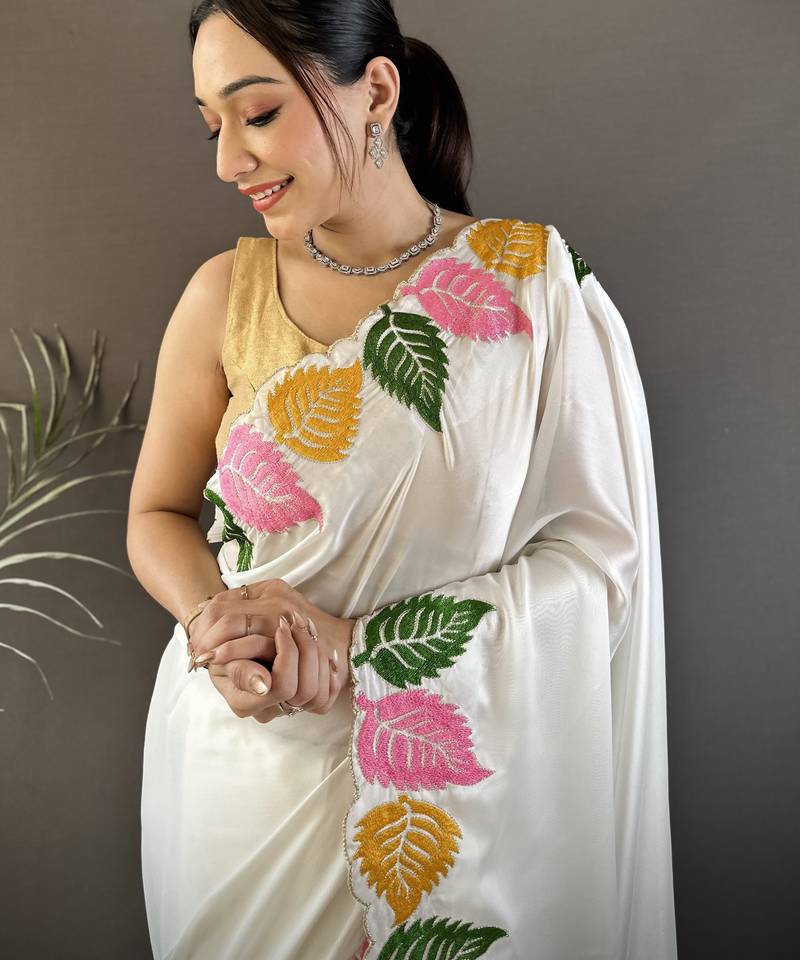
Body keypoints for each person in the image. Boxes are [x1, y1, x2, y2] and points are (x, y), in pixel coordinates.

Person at [127, 2, 678, 958]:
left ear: (375, 91)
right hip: (243, 773)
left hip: (462, 789)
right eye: (212, 126)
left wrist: (365, 647)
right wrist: (217, 622)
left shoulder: (532, 288)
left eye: (258, 114)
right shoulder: (225, 295)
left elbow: (599, 563)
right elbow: (157, 512)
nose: (228, 161)